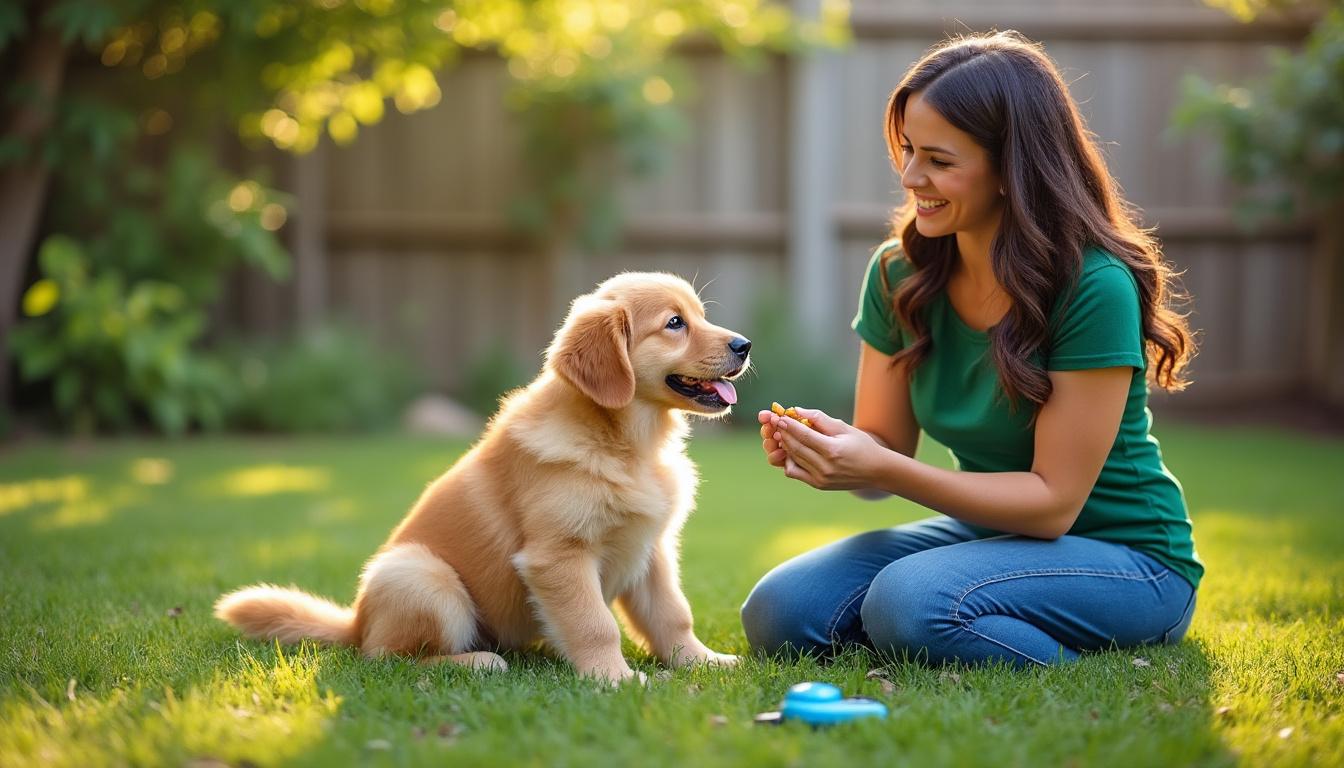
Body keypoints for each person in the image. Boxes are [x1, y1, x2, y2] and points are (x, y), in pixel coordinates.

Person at [740, 31, 1201, 668]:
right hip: (992, 535)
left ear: (1012, 168)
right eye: (906, 151)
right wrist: (835, 451)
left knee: (910, 601)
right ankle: (939, 632)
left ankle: (1053, 658)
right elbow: (885, 451)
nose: (909, 177)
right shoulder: (899, 274)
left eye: (939, 159)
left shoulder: (1093, 286)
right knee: (783, 608)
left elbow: (1051, 506)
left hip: (1126, 557)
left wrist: (883, 470)